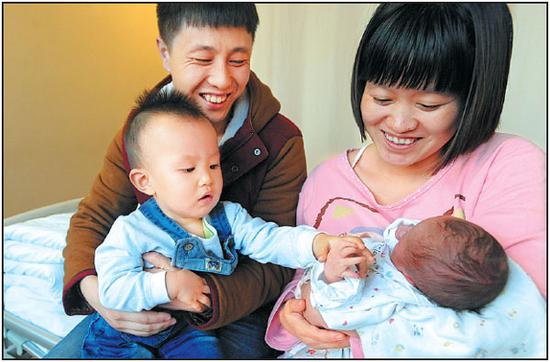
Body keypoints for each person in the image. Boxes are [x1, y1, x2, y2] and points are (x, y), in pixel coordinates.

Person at [265, 3, 546, 356]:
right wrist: (295, 313)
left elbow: (513, 320)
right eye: (381, 97)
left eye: (428, 105)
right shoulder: (327, 181)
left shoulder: (508, 166)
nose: (398, 124)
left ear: (473, 98)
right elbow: (301, 282)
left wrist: (349, 324)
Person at [51, 3, 308, 358]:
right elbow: (95, 216)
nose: (221, 79)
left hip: (230, 309)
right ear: (165, 53)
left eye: (238, 60)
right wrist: (101, 294)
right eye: (202, 60)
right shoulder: (143, 130)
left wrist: (197, 293)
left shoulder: (280, 140)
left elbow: (275, 261)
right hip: (141, 297)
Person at [81, 89, 371, 358]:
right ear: (145, 181)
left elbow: (270, 240)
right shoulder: (131, 230)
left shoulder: (228, 217)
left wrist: (317, 243)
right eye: (188, 169)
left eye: (214, 165)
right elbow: (113, 288)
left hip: (192, 330)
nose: (206, 178)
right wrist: (167, 284)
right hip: (125, 335)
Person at [282, 216, 540, 358]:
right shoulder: (414, 258)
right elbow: (398, 231)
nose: (402, 231)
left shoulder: (391, 295)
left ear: (411, 279)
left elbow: (334, 310)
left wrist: (333, 273)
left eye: (408, 236)